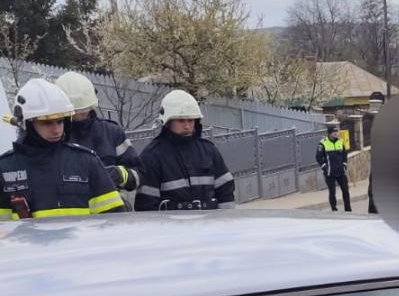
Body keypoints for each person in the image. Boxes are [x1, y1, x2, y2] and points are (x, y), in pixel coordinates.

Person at [0, 78, 124, 221]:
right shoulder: (5, 168)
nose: (56, 130)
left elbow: (114, 221)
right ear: (27, 124)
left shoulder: (86, 161)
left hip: (83, 237)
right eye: (47, 122)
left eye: (60, 121)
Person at [134, 90, 235, 211]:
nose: (187, 126)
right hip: (172, 223)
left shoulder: (209, 151)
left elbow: (226, 191)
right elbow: (146, 205)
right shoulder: (152, 156)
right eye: (181, 120)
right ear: (168, 122)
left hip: (210, 221)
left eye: (191, 120)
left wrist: (225, 219)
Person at [54, 71, 141, 196]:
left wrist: (120, 174)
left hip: (109, 207)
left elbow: (139, 174)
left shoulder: (111, 132)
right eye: (73, 113)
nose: (79, 116)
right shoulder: (52, 134)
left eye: (83, 111)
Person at [317, 121, 351, 212]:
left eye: (337, 131)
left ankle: (348, 209)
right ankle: (334, 209)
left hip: (341, 171)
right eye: (334, 132)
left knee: (346, 190)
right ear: (329, 133)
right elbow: (318, 157)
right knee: (332, 192)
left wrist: (344, 164)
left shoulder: (340, 141)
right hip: (330, 173)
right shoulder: (323, 143)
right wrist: (325, 167)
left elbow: (344, 154)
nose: (336, 133)